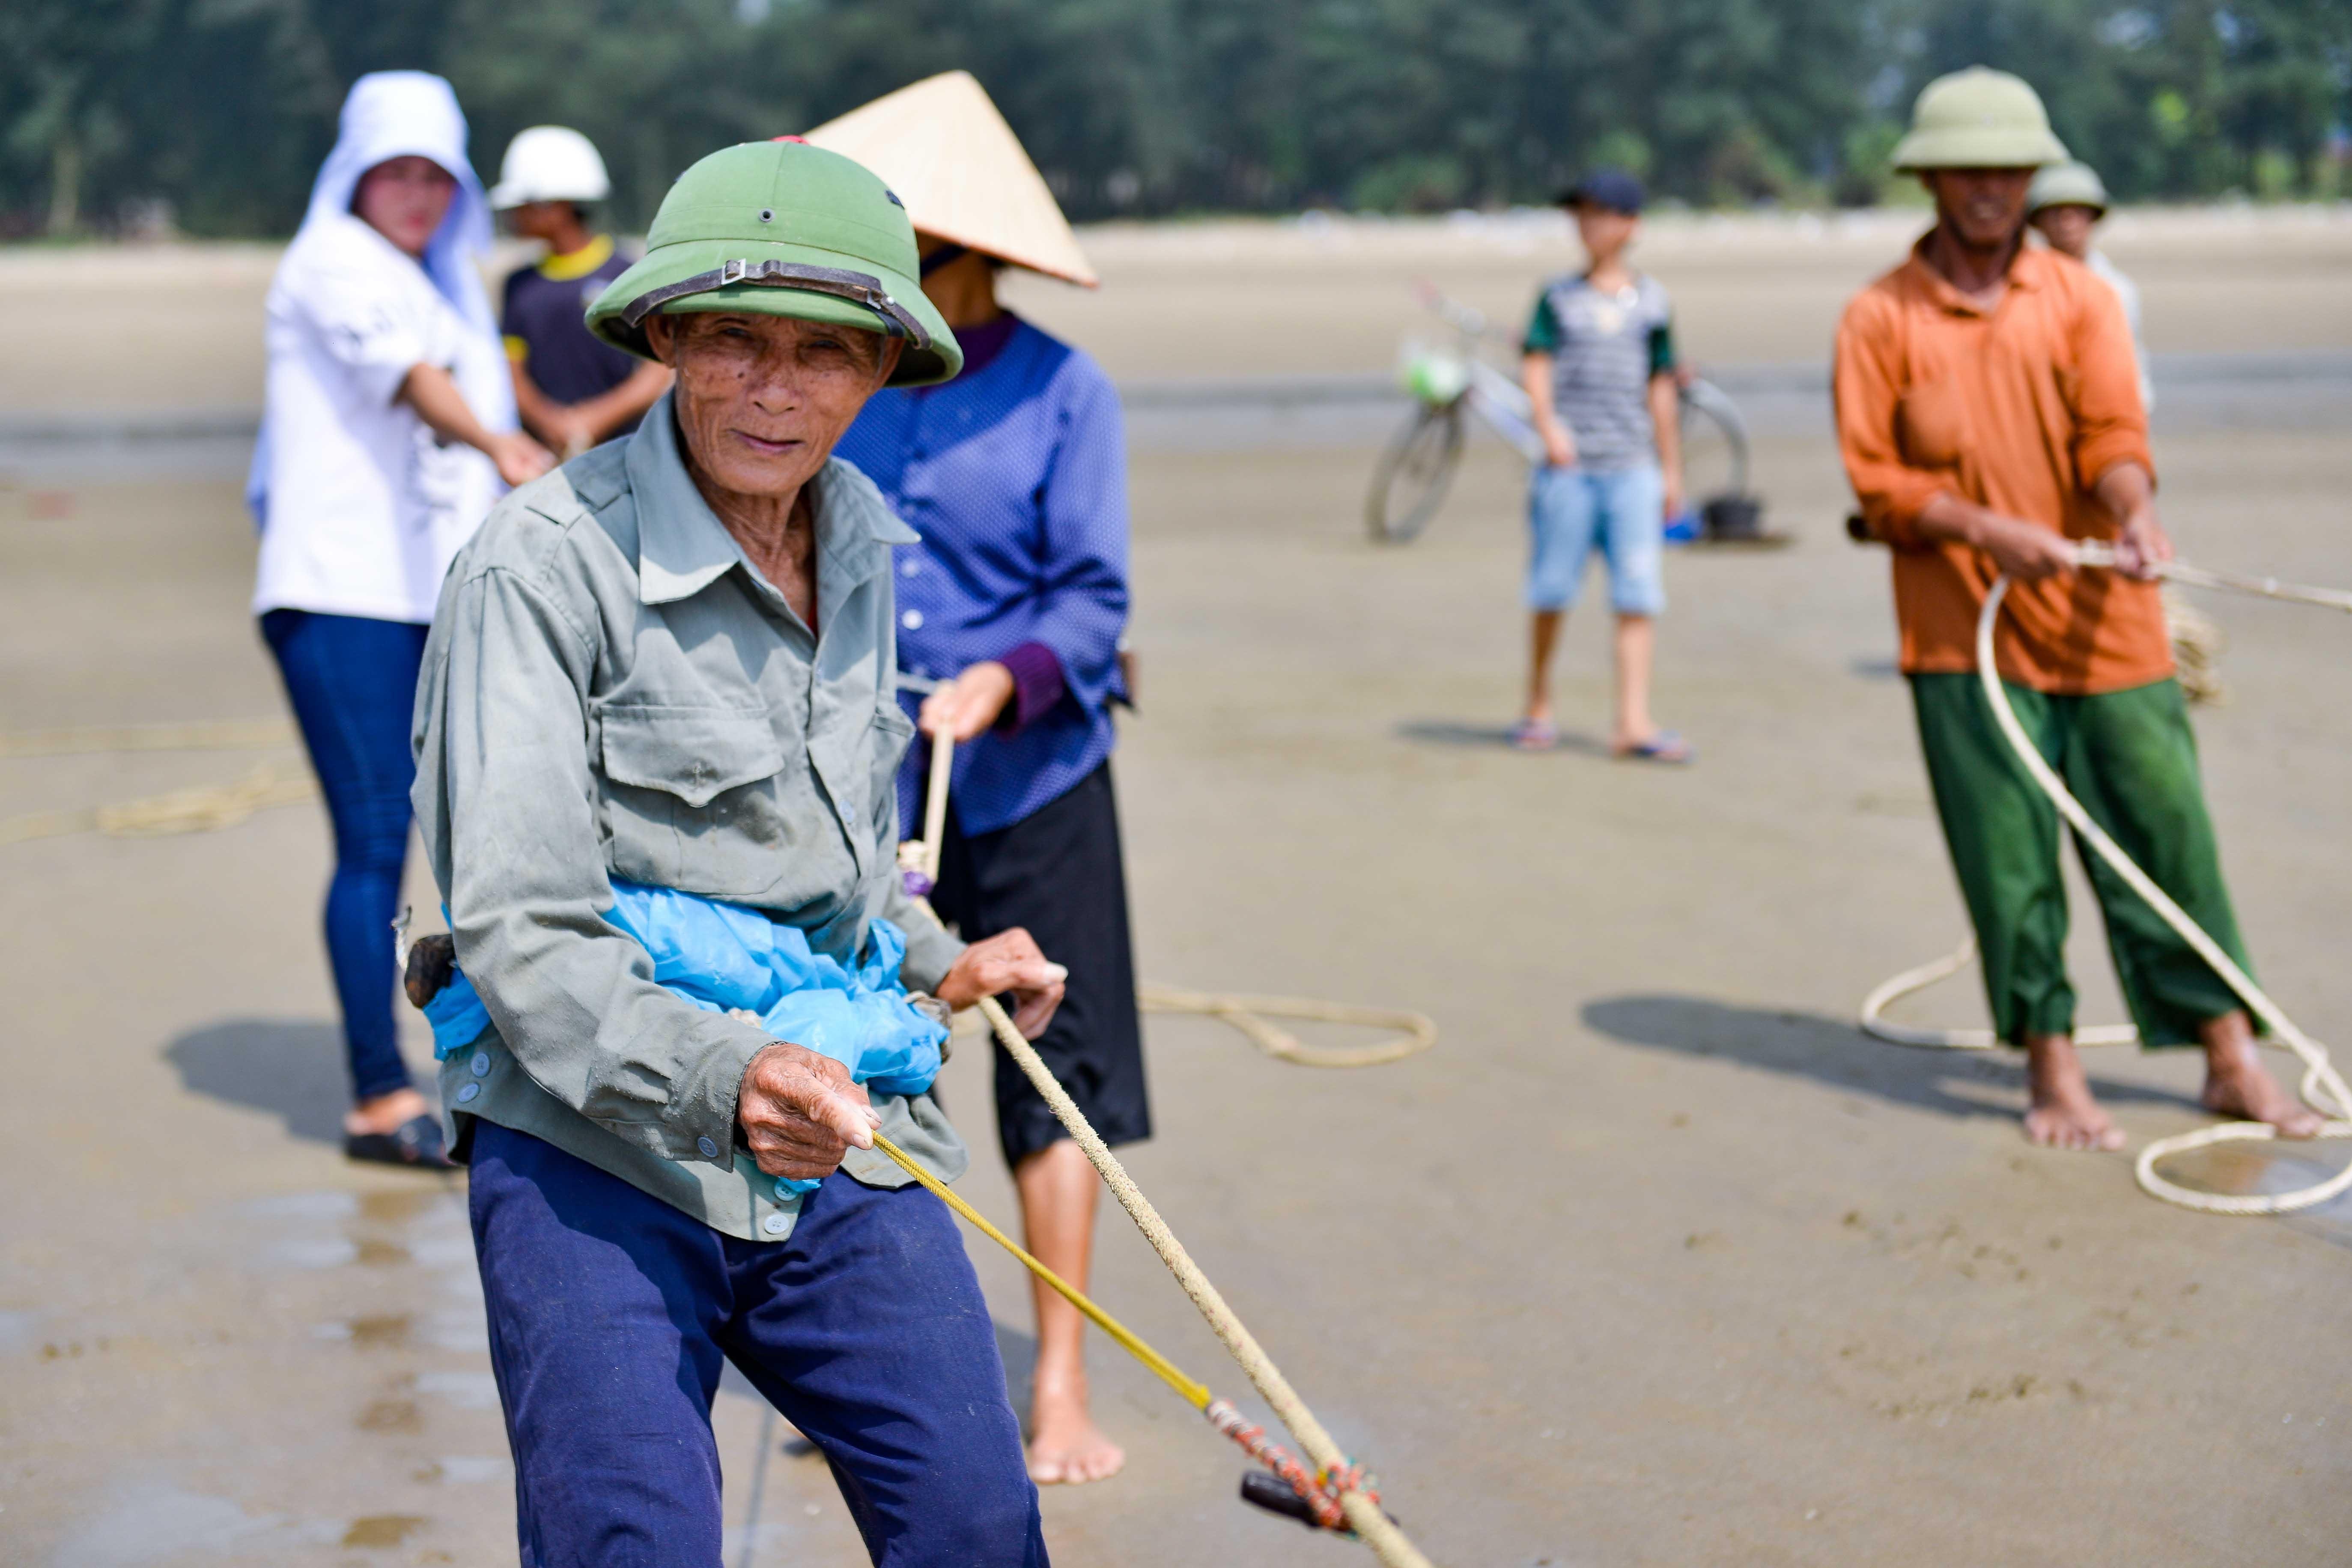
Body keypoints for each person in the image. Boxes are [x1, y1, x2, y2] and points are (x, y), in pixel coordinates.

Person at [410, 137, 1066, 1565]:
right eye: (735, 342)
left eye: (826, 352)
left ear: (879, 370)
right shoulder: (537, 565)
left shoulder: (865, 539)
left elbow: (840, 867)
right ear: (665, 340)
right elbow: (520, 928)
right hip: (591, 1133)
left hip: (838, 1109)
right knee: (629, 1540)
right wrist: (729, 1077)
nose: (779, 390)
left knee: (976, 1521)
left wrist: (941, 961)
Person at [1833, 68, 2318, 1152]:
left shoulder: (2080, 299)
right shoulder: (1877, 318)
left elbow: (2111, 434)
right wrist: (1986, 531)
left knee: (2165, 834)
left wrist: (2134, 511)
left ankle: (2227, 1053)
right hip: (1961, 637)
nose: (1990, 189)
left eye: (2009, 170)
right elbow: (1879, 484)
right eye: (1968, 170)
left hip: (2108, 627)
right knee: (2005, 858)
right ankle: (2050, 1065)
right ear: (1928, 180)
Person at [811, 70, 1143, 1487]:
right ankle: (857, 1364)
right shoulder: (843, 381)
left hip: (1034, 777)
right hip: (857, 784)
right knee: (848, 1048)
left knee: (1054, 1075)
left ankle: (1058, 1380)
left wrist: (1005, 677)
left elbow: (1094, 595)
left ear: (957, 252)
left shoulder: (1067, 390)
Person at [247, 70, 551, 1169]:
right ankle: (378, 1094)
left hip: (436, 595)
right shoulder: (331, 261)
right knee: (376, 835)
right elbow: (417, 381)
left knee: (475, 836)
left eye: (437, 176)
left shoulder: (448, 279)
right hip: (339, 592)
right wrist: (500, 444)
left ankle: (483, 1072)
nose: (417, 194)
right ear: (355, 176)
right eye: (396, 173)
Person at [1513, 168, 1689, 761]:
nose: (1587, 225)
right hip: (1568, 469)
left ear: (1630, 225)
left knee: (1639, 596)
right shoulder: (1557, 297)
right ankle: (1538, 702)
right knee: (1551, 589)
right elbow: (1537, 363)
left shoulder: (1653, 301)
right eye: (1581, 214)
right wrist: (1548, 427)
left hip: (1633, 468)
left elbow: (1660, 387)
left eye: (1599, 213)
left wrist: (1671, 471)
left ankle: (1633, 721)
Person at [488, 125, 671, 455]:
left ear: (553, 205)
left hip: (621, 450)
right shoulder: (517, 284)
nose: (514, 215)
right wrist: (552, 423)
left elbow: (657, 367)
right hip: (542, 455)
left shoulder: (627, 275)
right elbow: (510, 370)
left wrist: (595, 418)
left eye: (524, 204)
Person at [2028, 158, 2153, 411]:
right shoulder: (2016, 289)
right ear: (2038, 220)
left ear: (2093, 217)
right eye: (2056, 211)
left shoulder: (2117, 290)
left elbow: (2130, 366)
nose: (2067, 220)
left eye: (2077, 210)